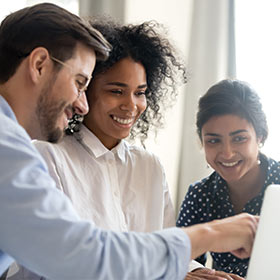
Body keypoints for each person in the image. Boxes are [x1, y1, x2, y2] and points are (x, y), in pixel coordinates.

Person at [0, 3, 258, 279]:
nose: (81, 104)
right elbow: (82, 255)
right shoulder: (21, 151)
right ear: (39, 65)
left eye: (140, 93)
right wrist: (215, 233)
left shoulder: (148, 165)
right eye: (79, 82)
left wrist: (186, 271)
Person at [177, 79, 279, 277]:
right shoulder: (199, 195)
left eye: (239, 138)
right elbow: (182, 260)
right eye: (214, 141)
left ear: (260, 136)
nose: (227, 153)